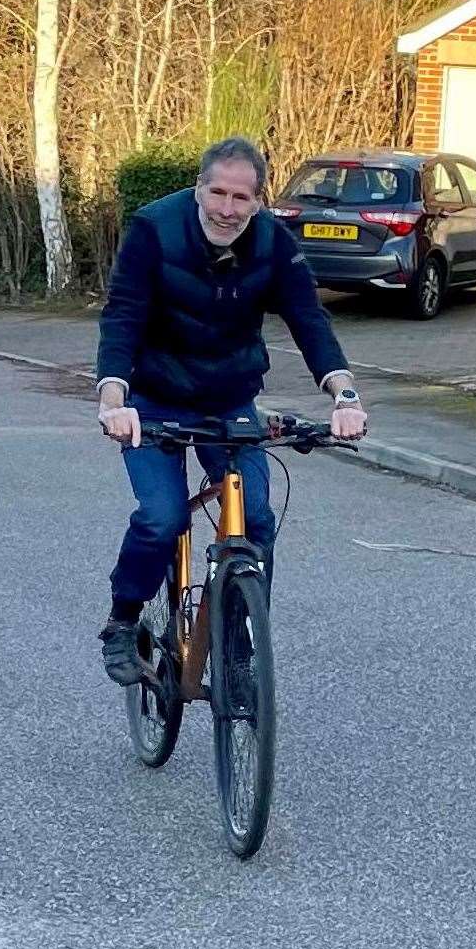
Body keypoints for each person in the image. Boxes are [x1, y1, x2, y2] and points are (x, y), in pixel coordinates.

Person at [94, 136, 369, 685]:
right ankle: (123, 622)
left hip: (228, 399)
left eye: (240, 198)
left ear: (259, 201)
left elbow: (309, 319)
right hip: (152, 398)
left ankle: (239, 642)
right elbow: (123, 316)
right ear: (198, 189)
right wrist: (113, 399)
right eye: (216, 193)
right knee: (164, 517)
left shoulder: (273, 241)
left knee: (257, 518)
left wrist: (344, 395)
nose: (226, 208)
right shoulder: (155, 229)